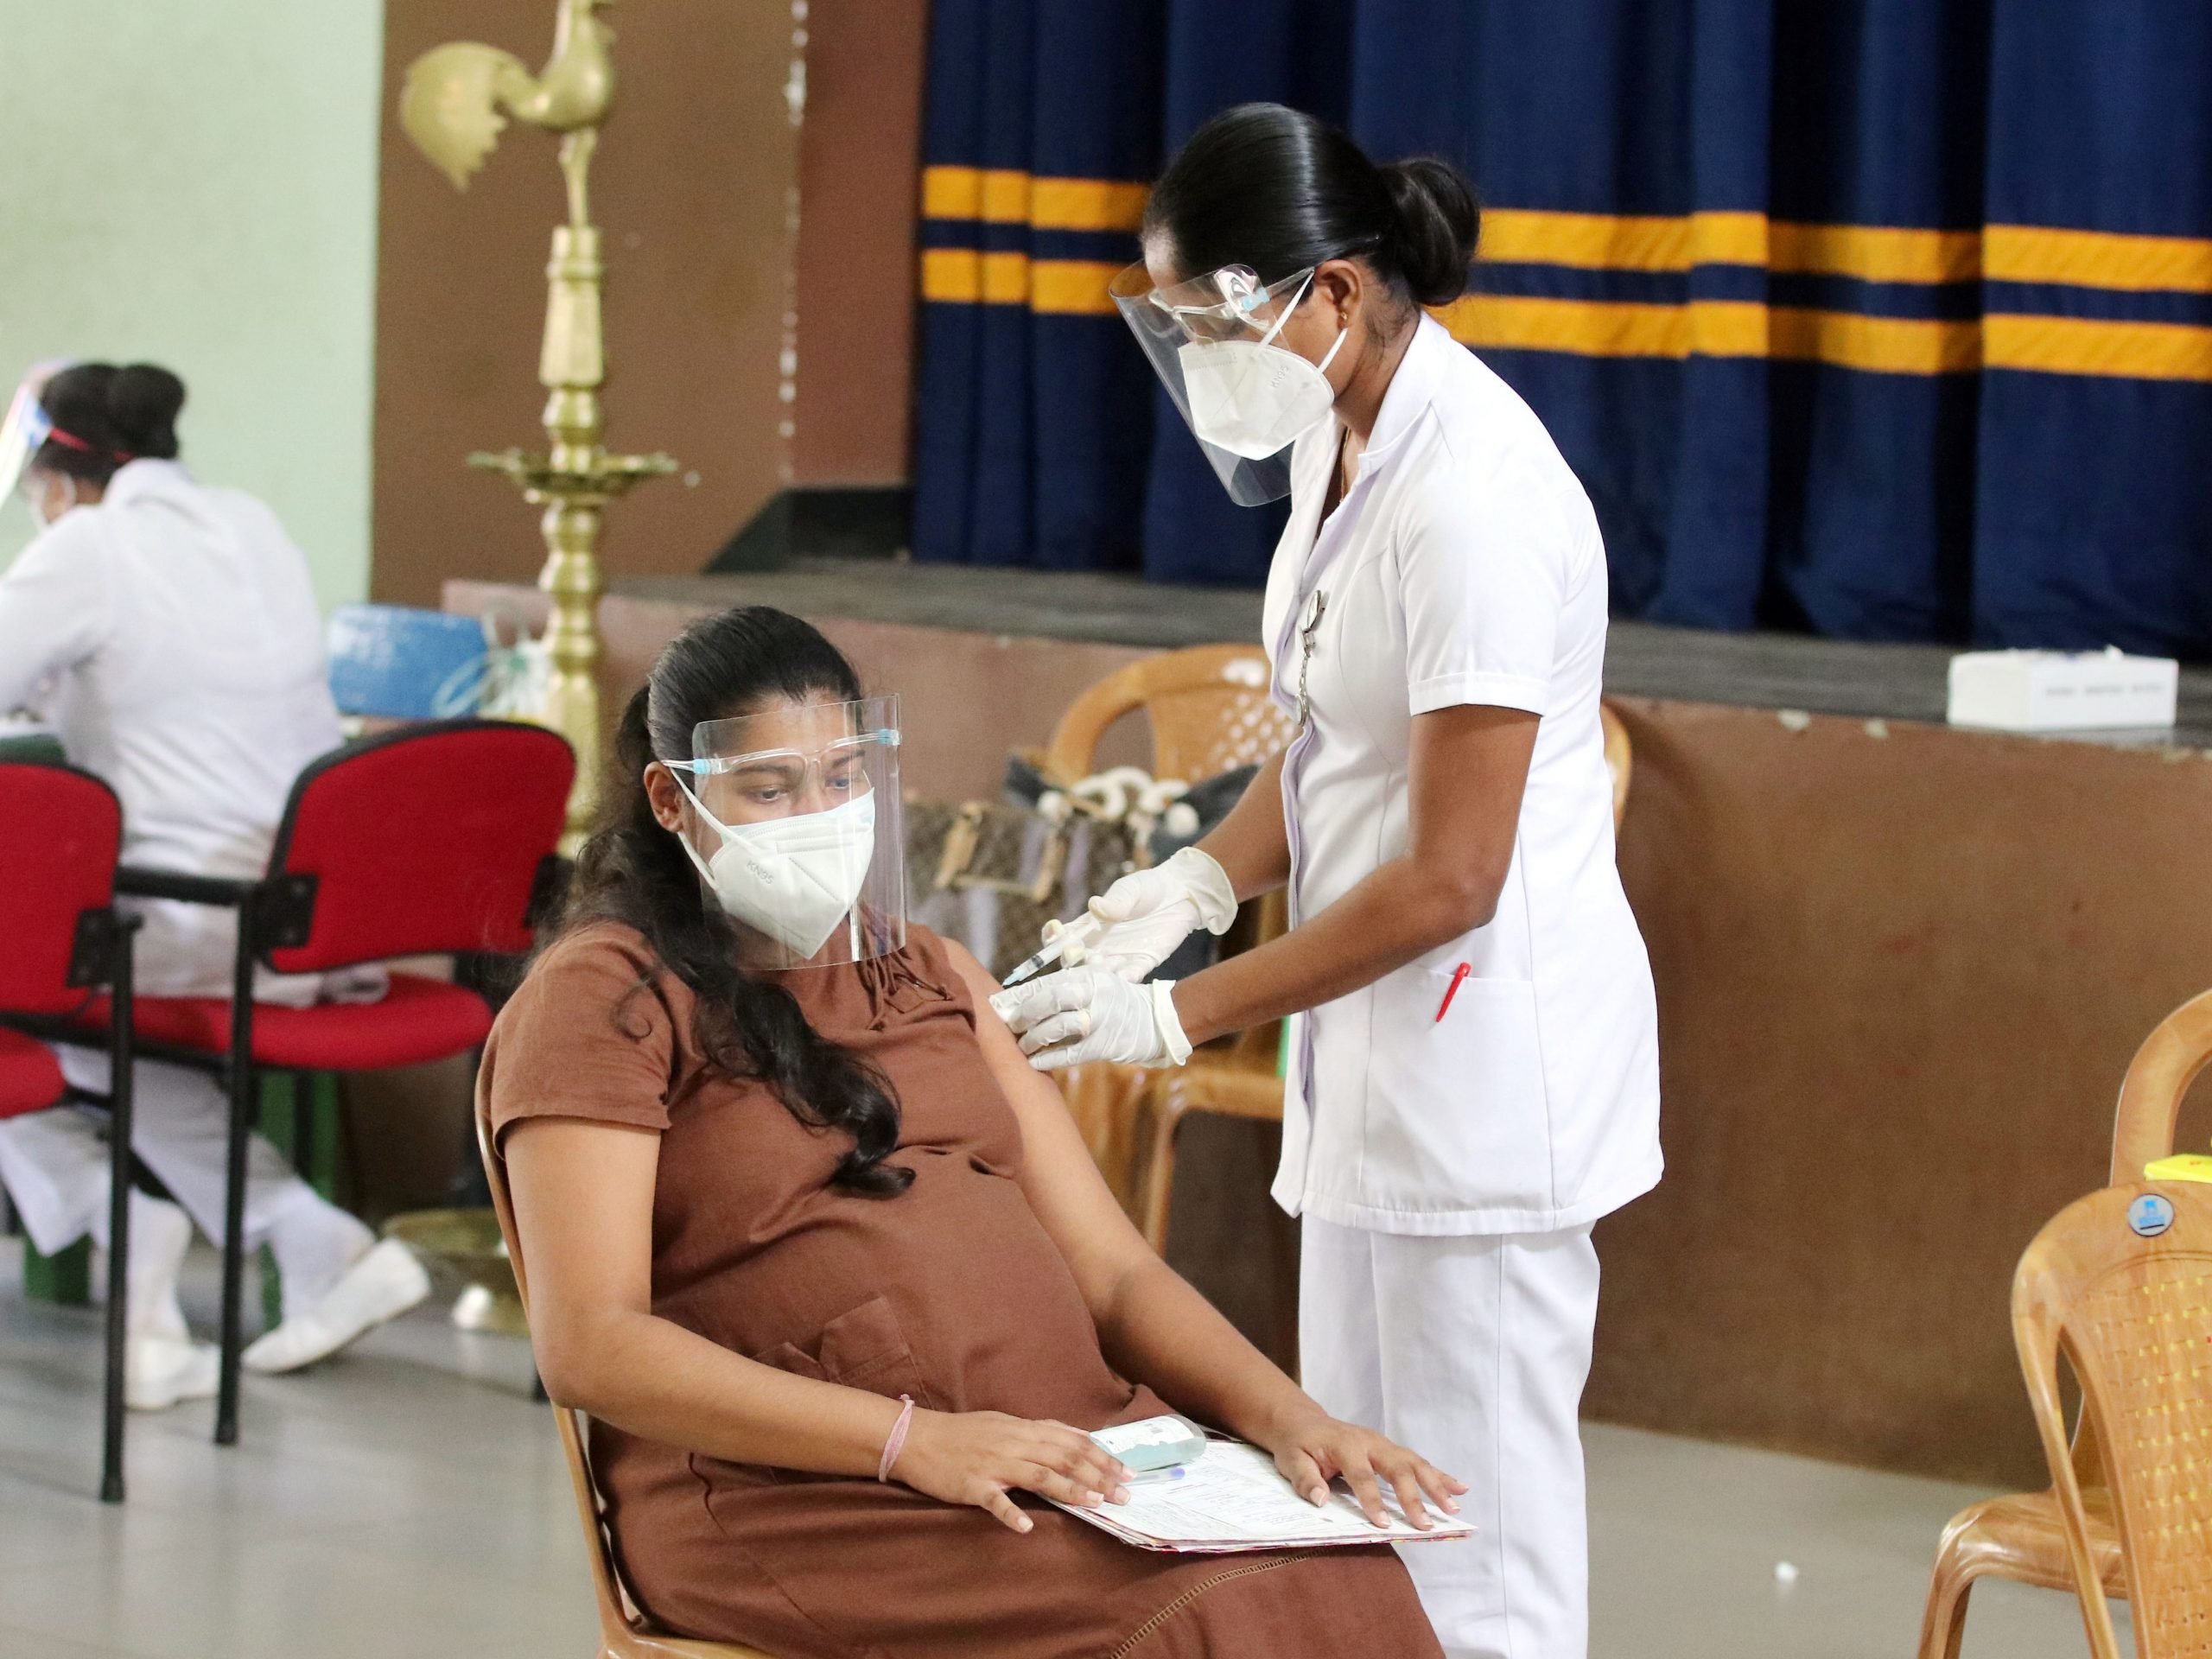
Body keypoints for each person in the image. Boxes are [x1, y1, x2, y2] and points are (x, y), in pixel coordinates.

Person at [992, 105, 1662, 1659]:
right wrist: (1192, 885)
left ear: (1335, 293)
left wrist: (1181, 1018)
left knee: (1473, 1550)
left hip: (1488, 1078)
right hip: (1376, 1066)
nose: (1199, 356)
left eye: (1211, 320)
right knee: (1361, 1491)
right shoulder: (1337, 439)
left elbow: (1450, 875)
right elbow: (1329, 749)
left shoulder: (1476, 496)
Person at [485, 604, 1466, 1657]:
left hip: (1063, 1447)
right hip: (804, 1492)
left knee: (1347, 1577)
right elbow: (591, 1345)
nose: (818, 812)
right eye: (769, 789)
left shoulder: (933, 969)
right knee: (1200, 1624)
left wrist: (1290, 1419)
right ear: (672, 801)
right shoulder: (605, 999)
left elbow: (1118, 1277)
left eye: (843, 776)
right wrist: (914, 1443)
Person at [0, 361, 429, 1408]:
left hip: (179, 918)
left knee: (35, 1006)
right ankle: (303, 1239)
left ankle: (114, 1213)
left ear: (56, 480)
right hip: (304, 917)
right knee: (74, 1019)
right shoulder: (250, 525)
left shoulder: (87, 548)